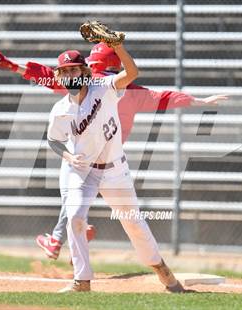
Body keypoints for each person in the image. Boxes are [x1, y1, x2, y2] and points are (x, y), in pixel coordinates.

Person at [0, 45, 227, 260]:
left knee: (73, 195)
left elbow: (47, 76)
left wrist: (16, 66)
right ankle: (75, 232)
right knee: (113, 212)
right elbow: (164, 98)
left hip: (81, 154)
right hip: (111, 159)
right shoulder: (128, 89)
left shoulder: (90, 83)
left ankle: (60, 238)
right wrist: (200, 101)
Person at [44, 42, 188, 293]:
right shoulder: (60, 110)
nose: (69, 76)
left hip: (114, 171)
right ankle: (82, 280)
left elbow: (132, 74)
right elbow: (53, 140)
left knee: (133, 222)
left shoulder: (104, 88)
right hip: (83, 171)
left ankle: (161, 269)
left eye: (74, 70)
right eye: (64, 71)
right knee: (75, 217)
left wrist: (118, 48)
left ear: (85, 72)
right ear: (59, 76)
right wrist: (67, 156)